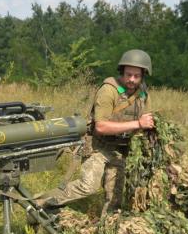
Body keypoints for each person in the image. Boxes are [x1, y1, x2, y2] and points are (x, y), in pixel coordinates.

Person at [36, 49, 155, 215]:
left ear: (143, 75)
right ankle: (39, 202)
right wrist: (137, 123)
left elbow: (146, 121)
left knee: (115, 198)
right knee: (88, 186)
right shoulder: (109, 90)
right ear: (122, 72)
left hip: (121, 151)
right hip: (98, 147)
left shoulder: (142, 95)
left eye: (137, 76)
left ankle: (107, 228)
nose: (132, 79)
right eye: (128, 74)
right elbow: (101, 126)